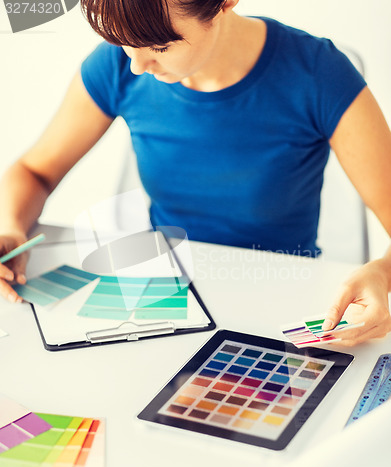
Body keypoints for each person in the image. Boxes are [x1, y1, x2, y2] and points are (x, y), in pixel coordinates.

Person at [0, 0, 390, 346]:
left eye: (159, 46)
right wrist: (10, 225)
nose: (136, 65)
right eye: (122, 41)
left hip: (278, 302)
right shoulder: (117, 64)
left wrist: (384, 273)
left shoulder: (319, 75)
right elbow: (35, 171)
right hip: (163, 300)